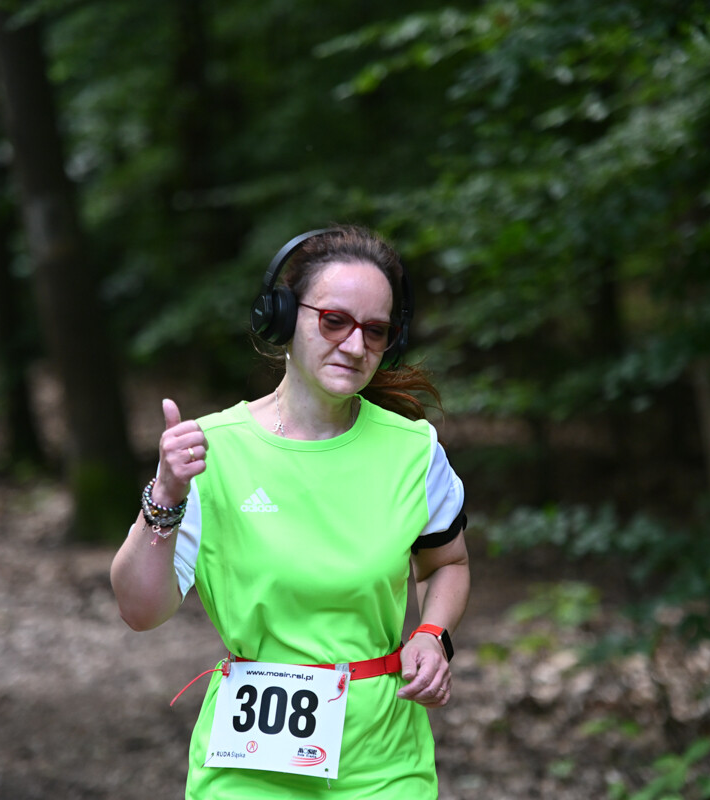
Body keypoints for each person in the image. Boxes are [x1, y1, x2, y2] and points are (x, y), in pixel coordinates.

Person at [110, 225, 470, 799]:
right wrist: (167, 494)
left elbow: (446, 562)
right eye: (334, 321)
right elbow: (140, 610)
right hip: (246, 767)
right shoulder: (209, 451)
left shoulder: (415, 451)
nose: (354, 345)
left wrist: (432, 634)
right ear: (281, 317)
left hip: (383, 764)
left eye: (375, 330)